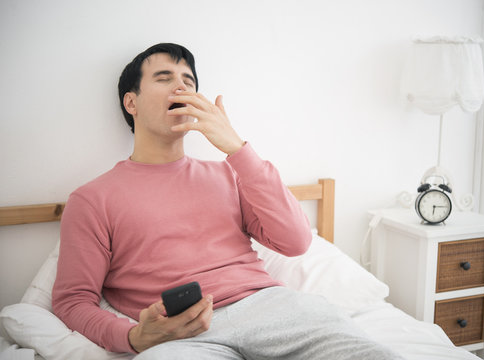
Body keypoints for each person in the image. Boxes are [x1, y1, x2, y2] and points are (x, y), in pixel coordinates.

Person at [52, 43, 401, 359]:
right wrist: (134, 337)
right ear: (132, 102)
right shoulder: (91, 199)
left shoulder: (230, 173)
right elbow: (72, 301)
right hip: (181, 336)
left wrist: (236, 148)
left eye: (189, 81)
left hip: (271, 309)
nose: (181, 87)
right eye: (164, 77)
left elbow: (295, 241)